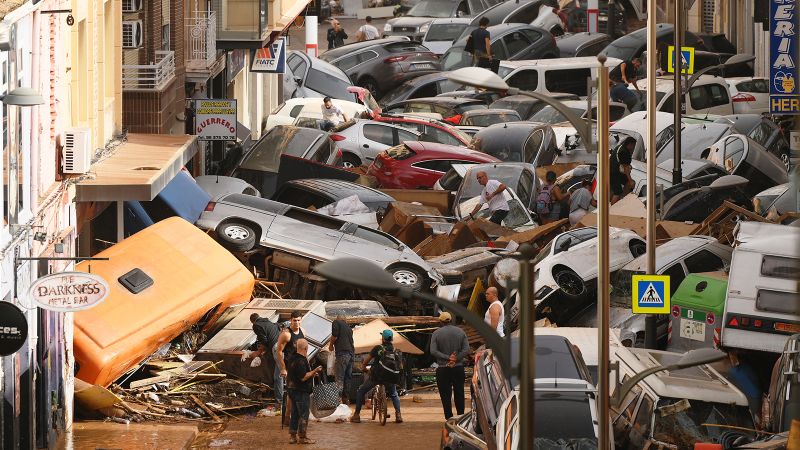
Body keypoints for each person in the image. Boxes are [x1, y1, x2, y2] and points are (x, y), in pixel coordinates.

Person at [350, 329, 403, 424]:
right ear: (391, 339)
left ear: (383, 338)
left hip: (376, 376)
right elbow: (401, 366)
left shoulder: (378, 348)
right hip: (390, 378)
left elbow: (366, 362)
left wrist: (364, 369)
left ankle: (356, 415)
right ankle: (398, 414)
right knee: (394, 394)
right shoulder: (396, 351)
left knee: (361, 391)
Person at [429, 312, 470, 419]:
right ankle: (460, 416)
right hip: (458, 368)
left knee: (445, 395)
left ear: (440, 321)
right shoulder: (460, 331)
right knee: (459, 392)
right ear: (451, 320)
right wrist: (456, 358)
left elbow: (433, 351)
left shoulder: (436, 333)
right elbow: (466, 350)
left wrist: (448, 358)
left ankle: (448, 417)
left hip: (443, 368)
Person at [286, 338, 322, 444]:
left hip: (292, 389)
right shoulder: (301, 360)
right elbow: (303, 377)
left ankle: (292, 436)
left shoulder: (292, 358)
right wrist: (314, 371)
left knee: (295, 412)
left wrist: (311, 373)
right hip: (300, 391)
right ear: (306, 348)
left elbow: (300, 374)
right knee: (303, 414)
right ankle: (302, 437)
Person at [243, 313, 282, 403]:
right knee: (279, 373)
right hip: (281, 346)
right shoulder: (269, 322)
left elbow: (264, 340)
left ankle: (280, 399)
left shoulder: (256, 325)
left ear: (252, 321)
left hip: (276, 349)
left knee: (278, 376)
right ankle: (280, 397)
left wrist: (258, 352)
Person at [276, 311, 306, 404]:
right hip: (290, 366)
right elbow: (279, 351)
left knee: (302, 391)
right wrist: (283, 368)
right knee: (292, 393)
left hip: (301, 366)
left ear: (301, 320)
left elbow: (304, 350)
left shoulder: (303, 331)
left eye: (298, 320)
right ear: (291, 320)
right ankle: (288, 417)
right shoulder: (286, 334)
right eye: (294, 320)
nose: (297, 322)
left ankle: (297, 415)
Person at [329, 314, 355, 404]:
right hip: (351, 355)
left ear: (338, 319)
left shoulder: (336, 322)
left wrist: (331, 345)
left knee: (339, 377)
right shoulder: (349, 328)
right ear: (345, 320)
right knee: (347, 378)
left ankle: (338, 400)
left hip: (342, 354)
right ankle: (346, 399)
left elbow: (335, 336)